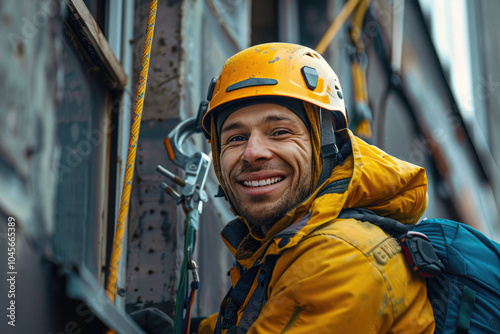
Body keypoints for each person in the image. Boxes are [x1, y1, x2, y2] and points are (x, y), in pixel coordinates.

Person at [198, 42, 435, 333]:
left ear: (325, 145)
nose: (252, 152)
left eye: (280, 132)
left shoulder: (339, 258)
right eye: (235, 138)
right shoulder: (286, 249)